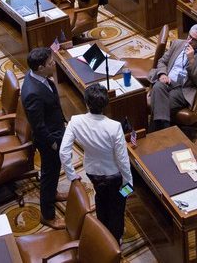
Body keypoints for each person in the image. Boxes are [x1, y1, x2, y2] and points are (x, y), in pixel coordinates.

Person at [59, 83, 132, 243]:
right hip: (115, 175)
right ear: (106, 105)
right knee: (118, 204)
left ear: (86, 103)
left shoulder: (75, 121)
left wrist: (71, 175)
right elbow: (123, 159)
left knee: (100, 198)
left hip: (92, 172)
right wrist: (129, 183)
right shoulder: (114, 127)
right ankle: (115, 238)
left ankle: (103, 233)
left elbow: (63, 151)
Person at [21, 47, 68, 229]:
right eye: (50, 63)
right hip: (49, 141)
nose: (53, 64)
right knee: (49, 175)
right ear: (40, 67)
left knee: (55, 170)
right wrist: (53, 143)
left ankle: (53, 193)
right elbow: (38, 126)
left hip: (55, 130)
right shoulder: (33, 93)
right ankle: (48, 216)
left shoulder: (35, 76)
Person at [146, 24, 197, 131]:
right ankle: (165, 132)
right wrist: (163, 74)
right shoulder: (177, 43)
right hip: (167, 80)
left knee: (160, 105)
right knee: (158, 86)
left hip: (184, 88)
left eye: (194, 40)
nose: (189, 41)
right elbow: (162, 61)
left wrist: (191, 61)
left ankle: (155, 132)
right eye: (189, 36)